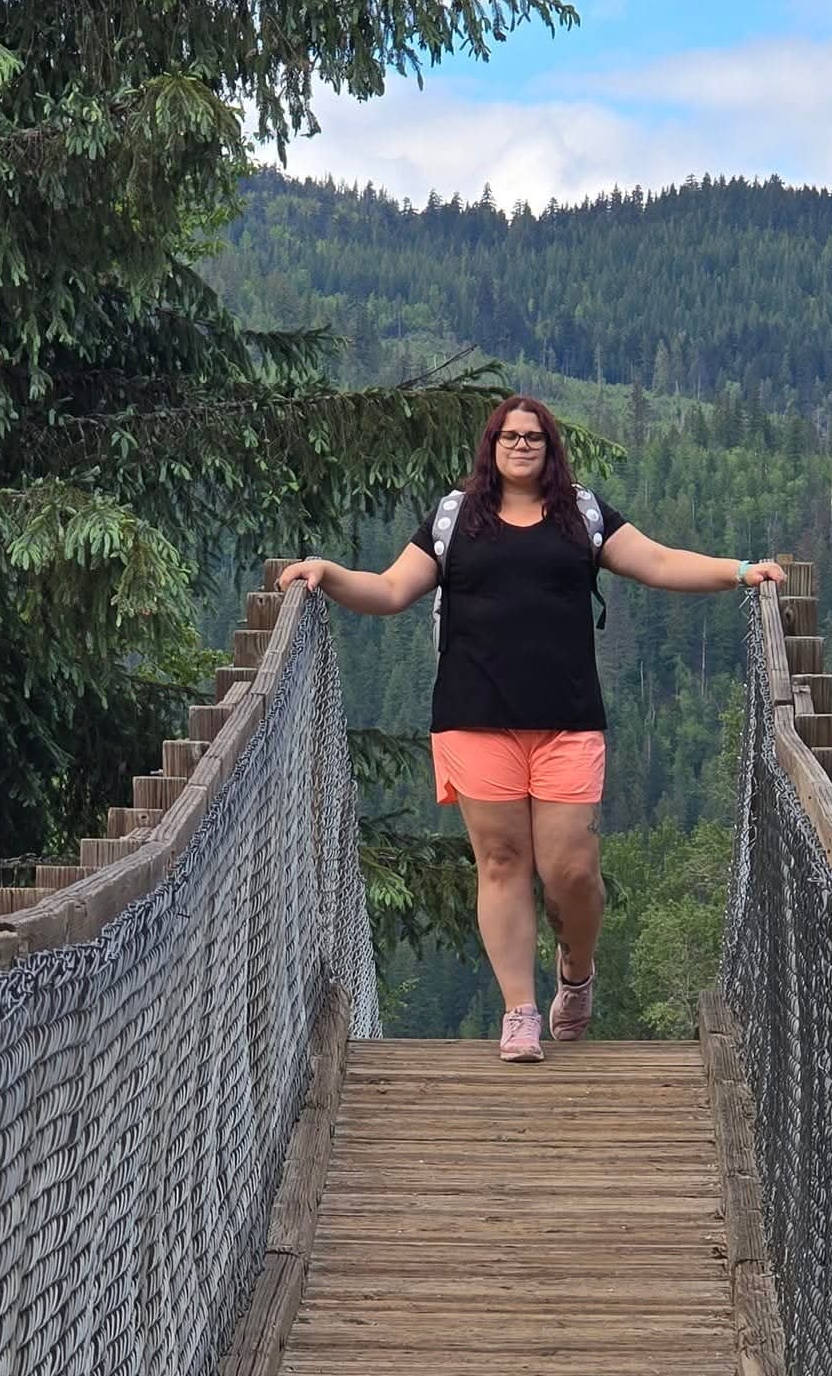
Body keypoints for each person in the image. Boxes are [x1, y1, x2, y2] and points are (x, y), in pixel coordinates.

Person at [279, 393, 784, 1062]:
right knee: (503, 863)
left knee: (571, 868)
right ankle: (520, 1011)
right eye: (509, 436)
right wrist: (330, 574)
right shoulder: (455, 519)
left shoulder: (583, 513)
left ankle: (576, 975)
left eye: (534, 436)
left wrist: (742, 572)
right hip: (473, 717)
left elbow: (659, 562)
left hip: (567, 719)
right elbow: (392, 590)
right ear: (491, 447)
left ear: (551, 445)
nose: (521, 445)